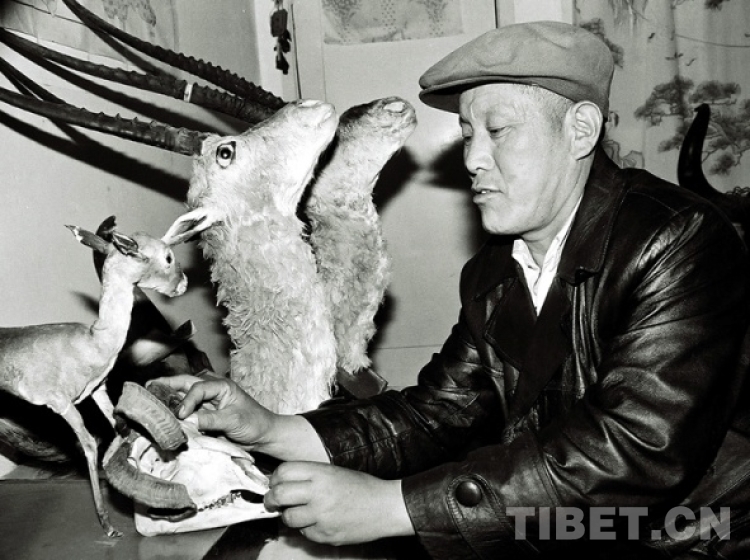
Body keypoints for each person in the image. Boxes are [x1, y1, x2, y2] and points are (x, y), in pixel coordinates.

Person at [157, 21, 750, 559]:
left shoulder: (680, 240)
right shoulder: (495, 269)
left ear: (580, 131)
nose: (473, 158)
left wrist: (392, 508)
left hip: (694, 539)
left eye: (498, 131)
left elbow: (634, 451)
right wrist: (270, 428)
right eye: (467, 134)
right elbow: (442, 411)